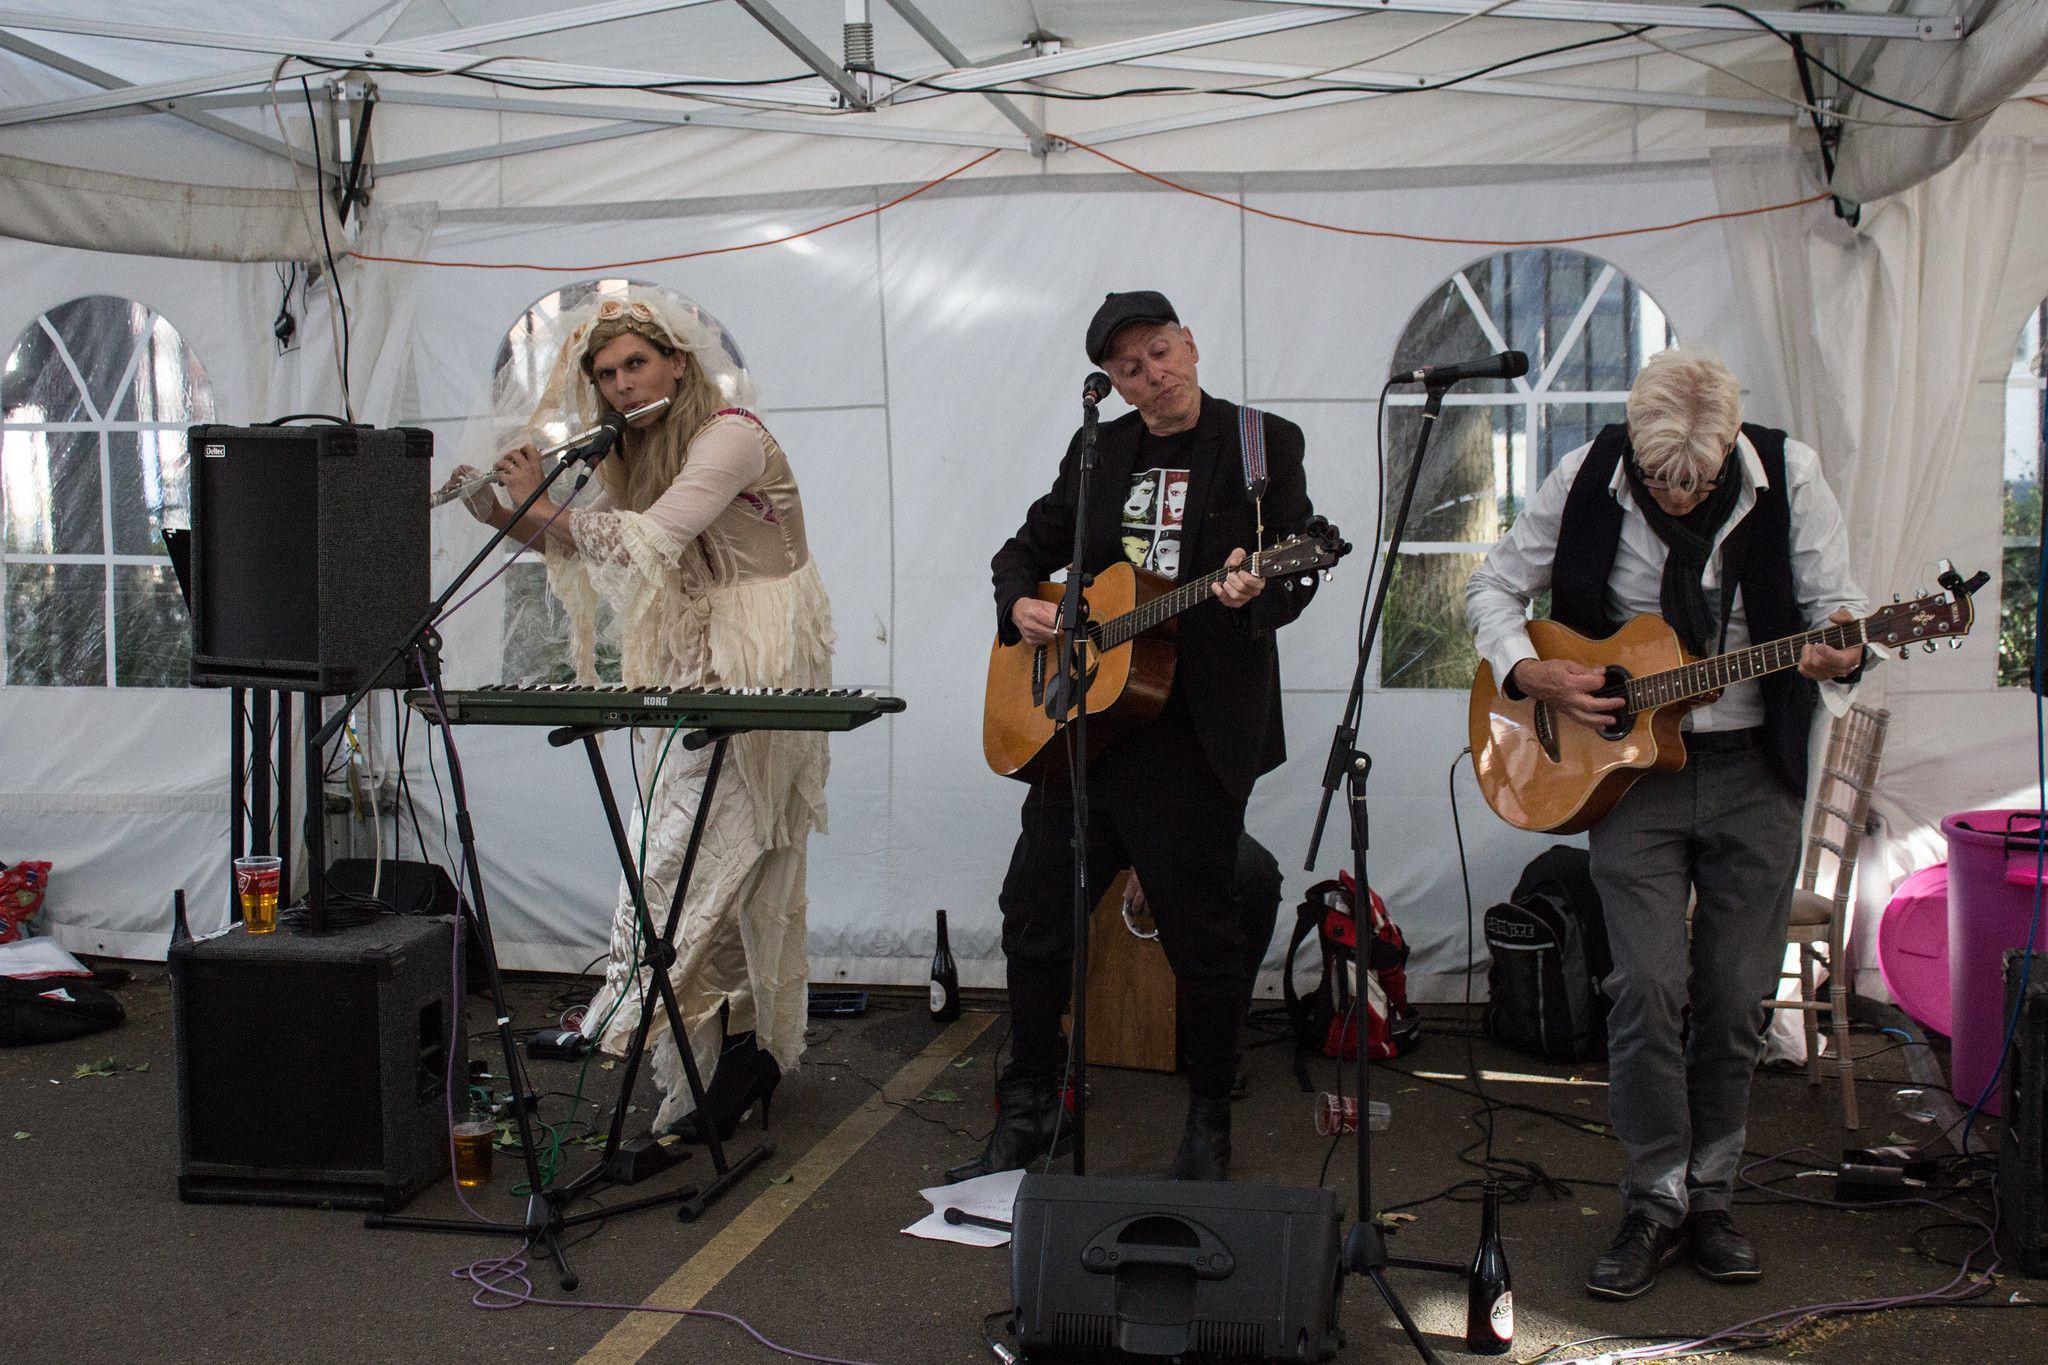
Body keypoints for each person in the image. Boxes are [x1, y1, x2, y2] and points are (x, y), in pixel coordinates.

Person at [1465, 348, 1866, 1298]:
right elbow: (1491, 589)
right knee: (1645, 988)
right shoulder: (1583, 476)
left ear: (1729, 448)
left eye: (1695, 480)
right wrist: (1530, 671)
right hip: (1629, 779)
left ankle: (1713, 1195)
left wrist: (1836, 658)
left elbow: (1837, 619)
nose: (1675, 497)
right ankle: (1652, 1198)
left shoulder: (1791, 477)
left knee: (1733, 1000)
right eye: (1658, 481)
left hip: (1752, 771)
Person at [443, 286, 834, 1142]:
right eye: (607, 372)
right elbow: (585, 546)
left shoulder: (730, 434)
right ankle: (727, 1053)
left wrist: (541, 508)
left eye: (636, 365)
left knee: (703, 852)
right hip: (694, 653)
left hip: (757, 654)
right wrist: (500, 508)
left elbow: (649, 539)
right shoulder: (631, 452)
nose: (622, 385)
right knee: (695, 851)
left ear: (677, 364)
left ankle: (638, 1008)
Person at [951, 290, 1318, 1184]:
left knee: (1202, 934)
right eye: (1128, 368)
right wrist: (1023, 604)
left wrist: (1254, 591)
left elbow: (1297, 571)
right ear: (1111, 386)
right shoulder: (1099, 450)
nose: (1150, 376)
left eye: (1159, 353)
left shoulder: (1262, 444)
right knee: (1034, 915)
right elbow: (1020, 548)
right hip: (1090, 726)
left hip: (1192, 735)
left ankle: (1208, 1118)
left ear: (1190, 344)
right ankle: (1031, 1103)